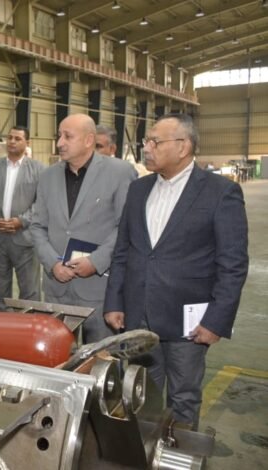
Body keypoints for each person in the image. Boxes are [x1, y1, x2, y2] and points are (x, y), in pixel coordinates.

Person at [104, 113, 248, 430]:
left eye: (155, 142)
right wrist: (114, 301)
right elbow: (123, 250)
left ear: (183, 147)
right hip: (138, 316)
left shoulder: (220, 192)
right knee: (141, 395)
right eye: (147, 141)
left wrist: (216, 321)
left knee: (183, 399)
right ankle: (146, 452)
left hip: (189, 325)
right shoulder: (138, 189)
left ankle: (178, 454)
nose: (146, 148)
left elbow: (233, 264)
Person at [29, 113, 137, 343]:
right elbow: (37, 226)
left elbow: (126, 226)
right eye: (59, 136)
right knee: (57, 355)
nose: (60, 143)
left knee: (101, 357)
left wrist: (96, 261)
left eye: (68, 136)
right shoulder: (47, 176)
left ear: (89, 140)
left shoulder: (120, 172)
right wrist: (53, 264)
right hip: (57, 289)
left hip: (100, 289)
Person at [0, 127, 44, 308]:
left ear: (27, 143)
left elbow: (41, 202)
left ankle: (28, 324)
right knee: (0, 290)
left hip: (25, 240)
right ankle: (3, 323)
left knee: (29, 292)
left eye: (17, 138)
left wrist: (21, 221)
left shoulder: (39, 169)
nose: (12, 141)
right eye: (9, 137)